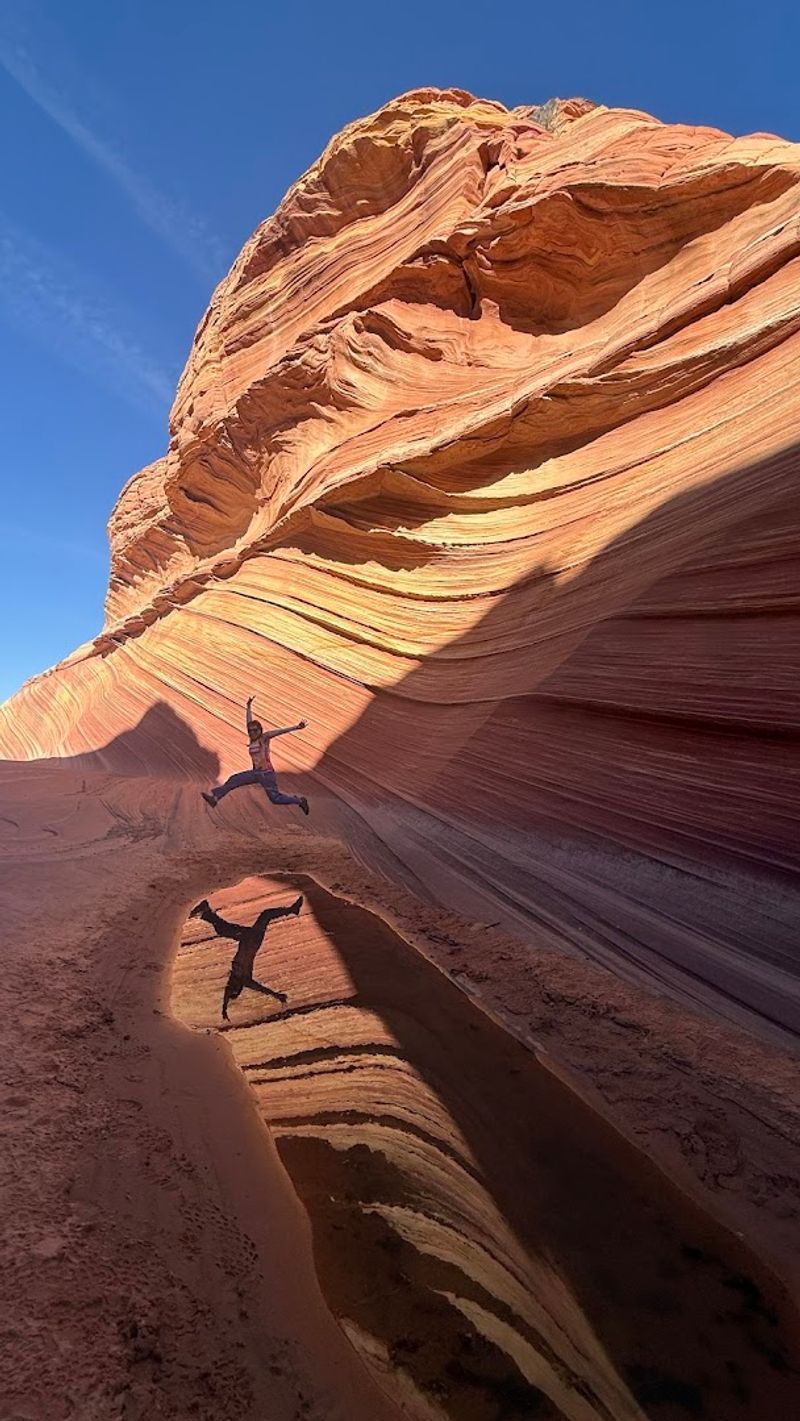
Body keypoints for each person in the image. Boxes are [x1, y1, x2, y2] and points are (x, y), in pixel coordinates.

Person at [189, 893, 303, 1020]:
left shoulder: (234, 978)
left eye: (230, 988)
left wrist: (224, 1009)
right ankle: (206, 912)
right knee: (231, 928)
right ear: (238, 989)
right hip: (251, 940)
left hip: (248, 939)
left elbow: (227, 993)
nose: (230, 986)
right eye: (234, 989)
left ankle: (206, 913)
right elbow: (261, 989)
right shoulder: (245, 980)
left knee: (264, 916)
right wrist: (277, 996)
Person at [202, 695, 309, 815]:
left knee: (275, 798)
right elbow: (249, 722)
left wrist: (296, 727)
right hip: (255, 773)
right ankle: (215, 798)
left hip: (267, 774)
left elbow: (279, 731)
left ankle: (299, 801)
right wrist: (248, 706)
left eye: (255, 730)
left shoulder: (264, 738)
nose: (252, 732)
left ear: (260, 730)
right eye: (250, 730)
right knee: (234, 779)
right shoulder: (252, 740)